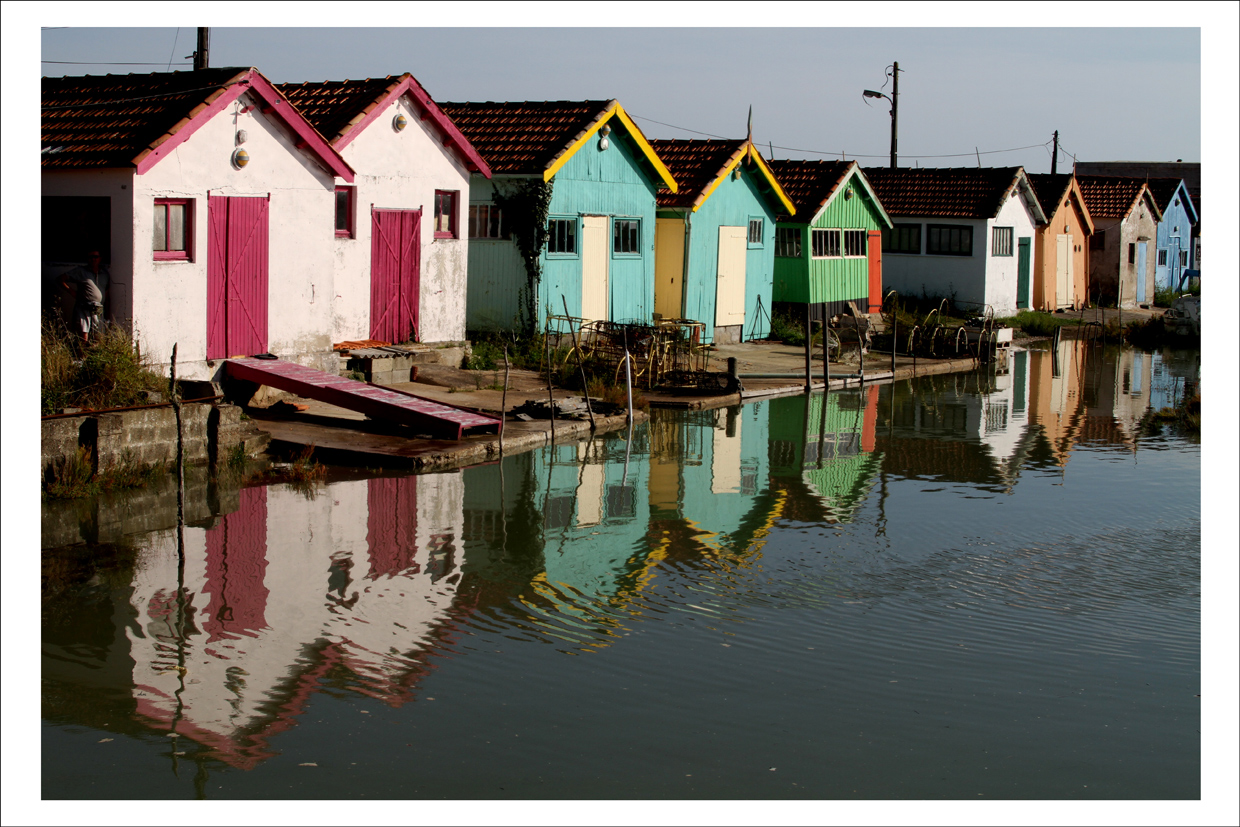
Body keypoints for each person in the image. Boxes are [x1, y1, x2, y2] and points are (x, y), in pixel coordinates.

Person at [61, 251, 110, 343]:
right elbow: (61, 279)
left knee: (98, 336)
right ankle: (81, 356)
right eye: (90, 257)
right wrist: (72, 292)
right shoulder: (81, 271)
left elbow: (107, 292)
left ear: (100, 258)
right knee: (83, 335)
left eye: (95, 256)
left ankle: (94, 356)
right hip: (84, 307)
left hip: (98, 309)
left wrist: (107, 310)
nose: (93, 259)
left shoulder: (105, 274)